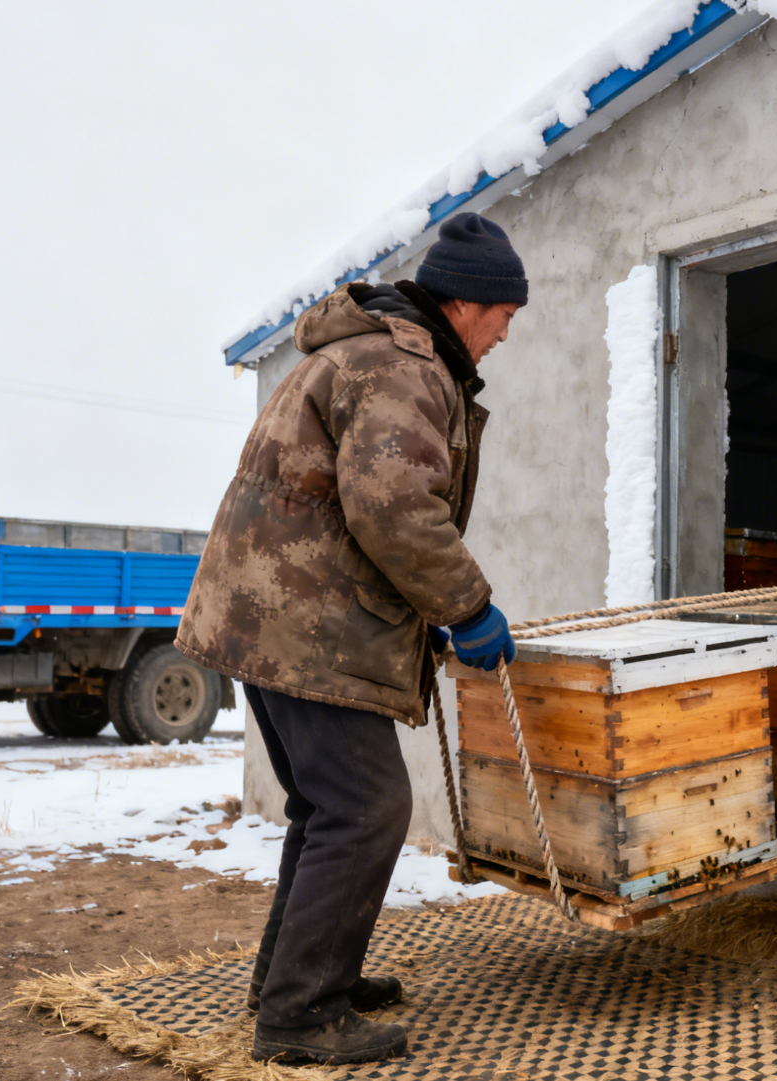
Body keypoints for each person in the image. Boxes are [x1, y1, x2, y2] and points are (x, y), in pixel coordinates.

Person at [176, 212, 527, 1065]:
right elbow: (393, 504)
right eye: (504, 318)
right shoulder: (404, 365)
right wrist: (467, 608)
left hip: (271, 615)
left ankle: (292, 980)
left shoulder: (370, 352)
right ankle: (301, 1015)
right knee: (368, 809)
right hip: (304, 626)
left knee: (326, 807)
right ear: (469, 303)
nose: (503, 337)